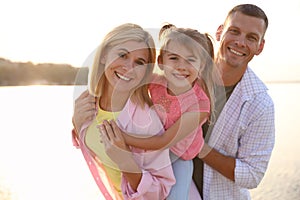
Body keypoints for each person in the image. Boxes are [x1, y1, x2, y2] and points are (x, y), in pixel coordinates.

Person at [100, 24, 221, 200]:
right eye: (174, 58)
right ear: (161, 62)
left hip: (179, 155)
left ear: (201, 65)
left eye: (190, 60)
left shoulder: (199, 105)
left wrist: (122, 138)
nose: (181, 66)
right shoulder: (156, 82)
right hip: (154, 149)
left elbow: (163, 141)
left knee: (176, 197)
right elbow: (126, 78)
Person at [72, 23, 175, 200]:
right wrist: (76, 124)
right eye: (122, 55)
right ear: (104, 55)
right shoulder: (86, 102)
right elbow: (91, 143)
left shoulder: (147, 120)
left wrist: (125, 161)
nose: (129, 67)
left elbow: (161, 191)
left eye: (139, 62)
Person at [192, 4, 275, 199]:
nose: (240, 42)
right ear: (220, 31)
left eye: (251, 37)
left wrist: (198, 148)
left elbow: (252, 175)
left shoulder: (261, 104)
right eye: (234, 31)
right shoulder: (187, 73)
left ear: (260, 46)